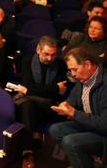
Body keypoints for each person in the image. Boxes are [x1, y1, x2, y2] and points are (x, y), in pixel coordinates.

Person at [49, 47, 107, 168]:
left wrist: (74, 113)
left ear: (88, 64)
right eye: (70, 70)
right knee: (56, 130)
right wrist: (66, 105)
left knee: (70, 142)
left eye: (74, 69)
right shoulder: (84, 78)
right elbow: (74, 98)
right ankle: (83, 161)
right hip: (92, 126)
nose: (73, 74)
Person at [13, 36, 67, 167]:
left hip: (50, 107)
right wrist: (54, 88)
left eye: (53, 55)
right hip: (34, 105)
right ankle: (27, 153)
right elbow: (27, 85)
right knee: (27, 106)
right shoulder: (27, 61)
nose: (50, 58)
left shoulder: (60, 65)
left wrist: (30, 90)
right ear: (38, 50)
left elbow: (61, 93)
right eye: (46, 54)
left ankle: (27, 153)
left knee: (27, 103)